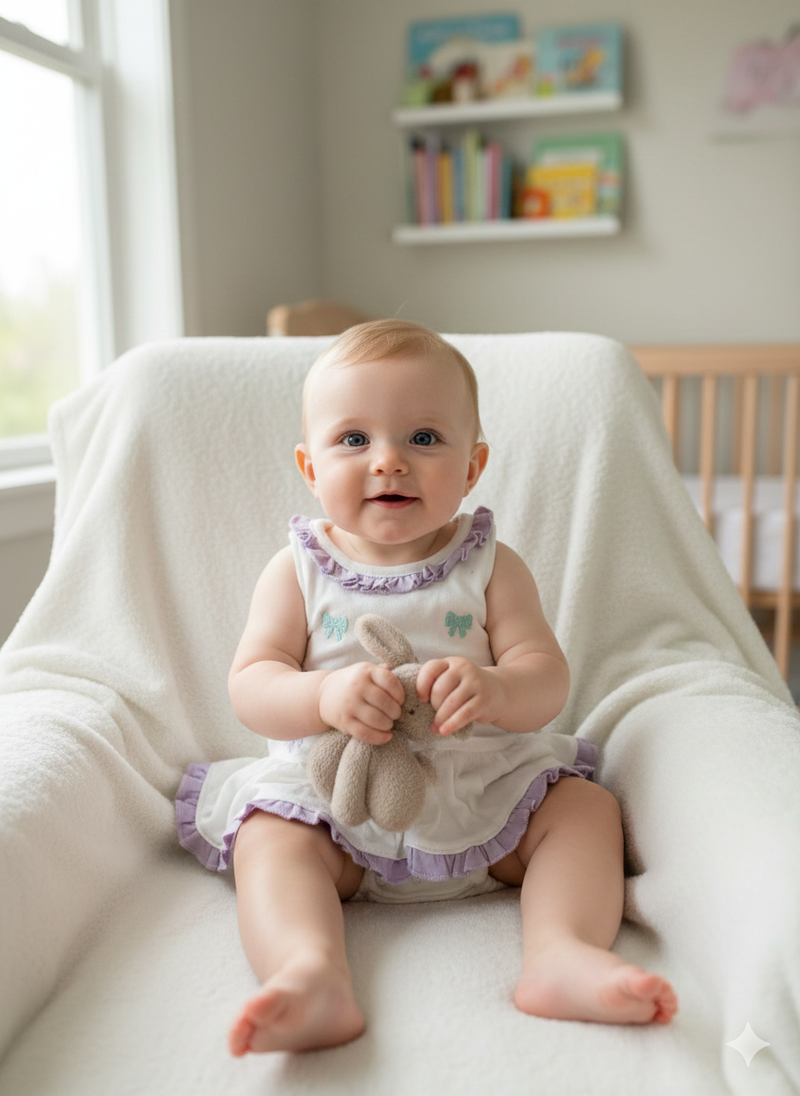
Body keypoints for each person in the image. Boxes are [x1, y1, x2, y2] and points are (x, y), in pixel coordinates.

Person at [176, 319, 678, 1056]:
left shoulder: (491, 565)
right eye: (354, 439)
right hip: (338, 808)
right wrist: (322, 698)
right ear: (310, 467)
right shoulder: (298, 570)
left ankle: (562, 952)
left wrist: (497, 688)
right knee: (270, 837)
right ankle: (308, 971)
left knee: (585, 810)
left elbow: (546, 676)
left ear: (473, 466)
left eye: (423, 438)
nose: (389, 461)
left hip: (485, 797)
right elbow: (251, 685)